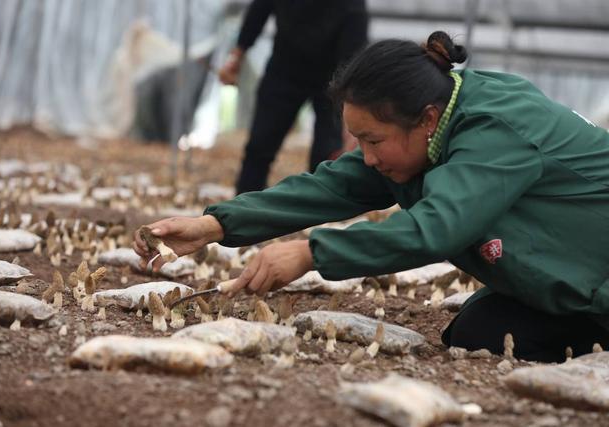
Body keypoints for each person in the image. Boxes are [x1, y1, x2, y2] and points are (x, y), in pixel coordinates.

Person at [135, 31, 609, 363]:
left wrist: (311, 252)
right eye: (358, 139)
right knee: (477, 335)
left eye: (373, 141)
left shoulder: (495, 129)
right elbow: (333, 185)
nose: (365, 157)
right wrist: (214, 226)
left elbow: (435, 228)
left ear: (425, 119)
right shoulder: (431, 124)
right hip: (574, 263)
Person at [219, 0, 368, 194]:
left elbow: (354, 43)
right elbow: (260, 10)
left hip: (333, 76)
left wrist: (350, 104)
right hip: (284, 68)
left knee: (326, 153)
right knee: (260, 144)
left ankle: (317, 207)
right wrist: (238, 53)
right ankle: (243, 204)